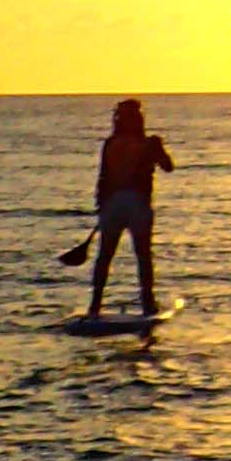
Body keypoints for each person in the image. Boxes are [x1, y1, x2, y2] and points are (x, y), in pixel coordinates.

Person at [82, 98, 176, 321]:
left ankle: (95, 305)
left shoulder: (110, 143)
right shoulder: (148, 143)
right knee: (143, 256)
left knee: (105, 256)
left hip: (112, 203)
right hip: (137, 203)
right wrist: (158, 148)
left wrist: (101, 205)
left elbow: (103, 177)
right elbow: (168, 167)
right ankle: (148, 304)